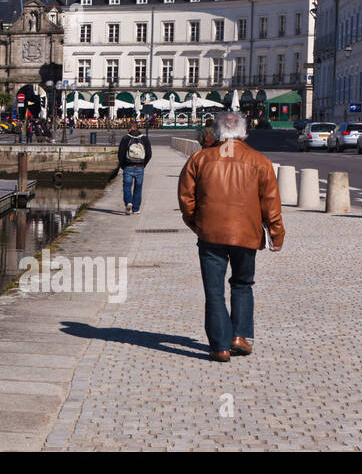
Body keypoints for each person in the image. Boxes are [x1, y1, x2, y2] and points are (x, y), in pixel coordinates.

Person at [177, 111, 285, 362]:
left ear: (216, 132)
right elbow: (271, 203)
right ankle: (239, 336)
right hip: (246, 234)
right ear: (244, 133)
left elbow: (186, 199)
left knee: (213, 290)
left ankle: (219, 346)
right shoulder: (259, 161)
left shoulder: (199, 159)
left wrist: (197, 224)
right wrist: (276, 235)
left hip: (210, 234)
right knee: (242, 284)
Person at [116, 120, 152, 214]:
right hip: (140, 166)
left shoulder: (126, 138)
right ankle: (136, 209)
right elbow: (149, 154)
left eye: (128, 128)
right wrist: (143, 164)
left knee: (127, 186)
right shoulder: (144, 138)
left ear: (131, 128)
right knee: (138, 187)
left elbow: (120, 154)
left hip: (128, 165)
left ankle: (129, 202)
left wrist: (123, 165)